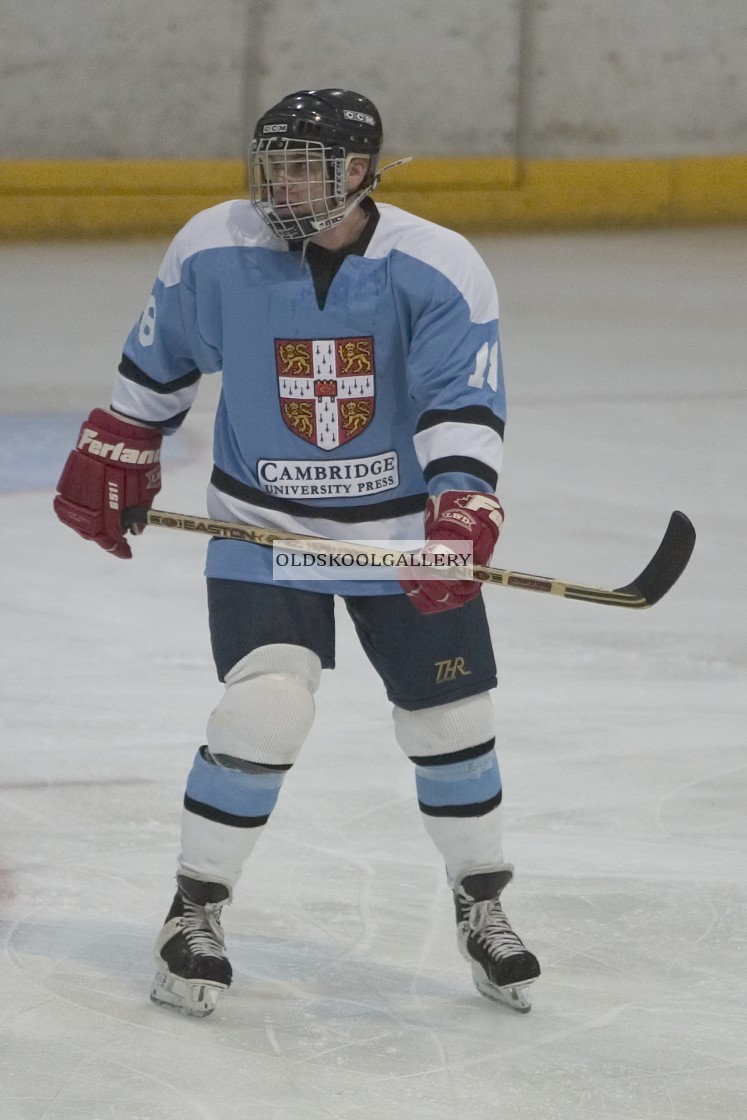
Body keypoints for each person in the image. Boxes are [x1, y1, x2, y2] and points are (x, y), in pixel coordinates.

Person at [53, 88, 541, 1016]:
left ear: (359, 173)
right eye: (272, 161)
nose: (282, 182)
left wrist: (463, 503)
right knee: (265, 707)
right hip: (264, 532)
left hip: (398, 536)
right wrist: (121, 436)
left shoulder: (437, 264)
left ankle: (482, 904)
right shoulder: (213, 245)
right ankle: (192, 911)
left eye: (306, 166)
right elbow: (158, 366)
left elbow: (460, 401)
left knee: (451, 723)